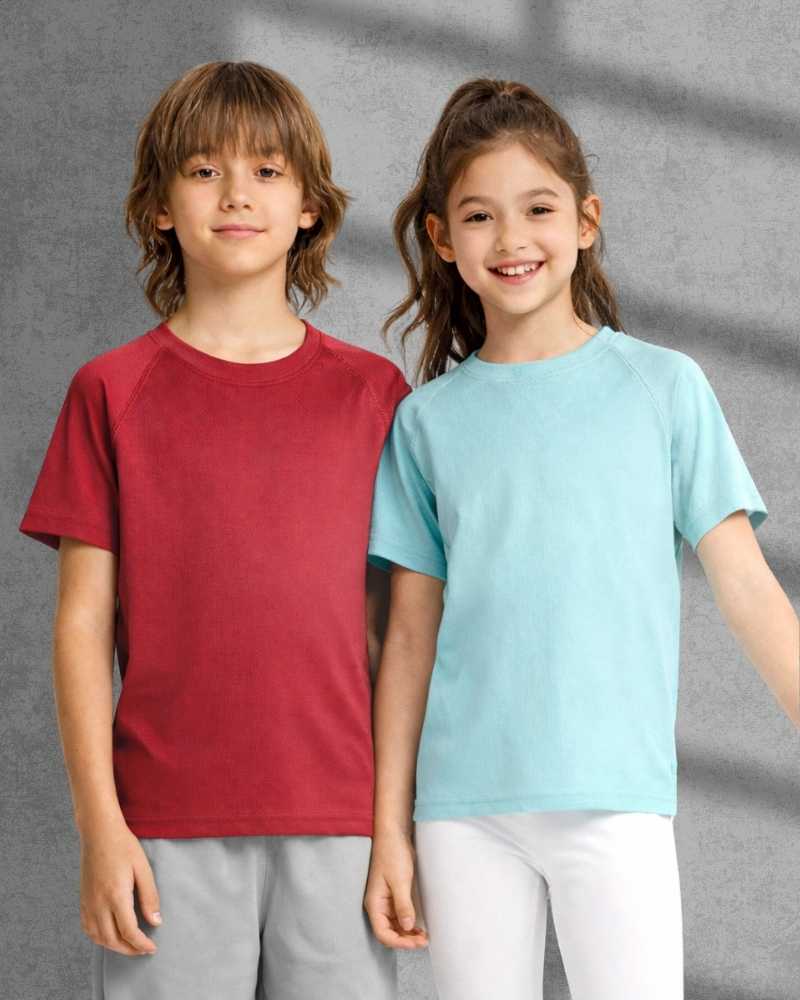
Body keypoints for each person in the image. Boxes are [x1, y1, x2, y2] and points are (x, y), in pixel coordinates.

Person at [362, 77, 799, 1000]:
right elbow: (409, 636)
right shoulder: (426, 424)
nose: (510, 239)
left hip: (613, 797)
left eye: (538, 209)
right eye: (478, 216)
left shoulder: (663, 388)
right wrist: (389, 828)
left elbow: (747, 586)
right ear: (442, 239)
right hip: (462, 809)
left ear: (586, 220)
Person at [18, 60, 410, 999]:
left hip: (344, 822)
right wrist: (100, 827)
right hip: (163, 826)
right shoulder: (111, 393)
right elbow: (82, 626)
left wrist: (398, 825)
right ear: (160, 206)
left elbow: (397, 631)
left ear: (309, 205)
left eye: (267, 170)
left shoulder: (376, 397)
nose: (237, 193)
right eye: (204, 170)